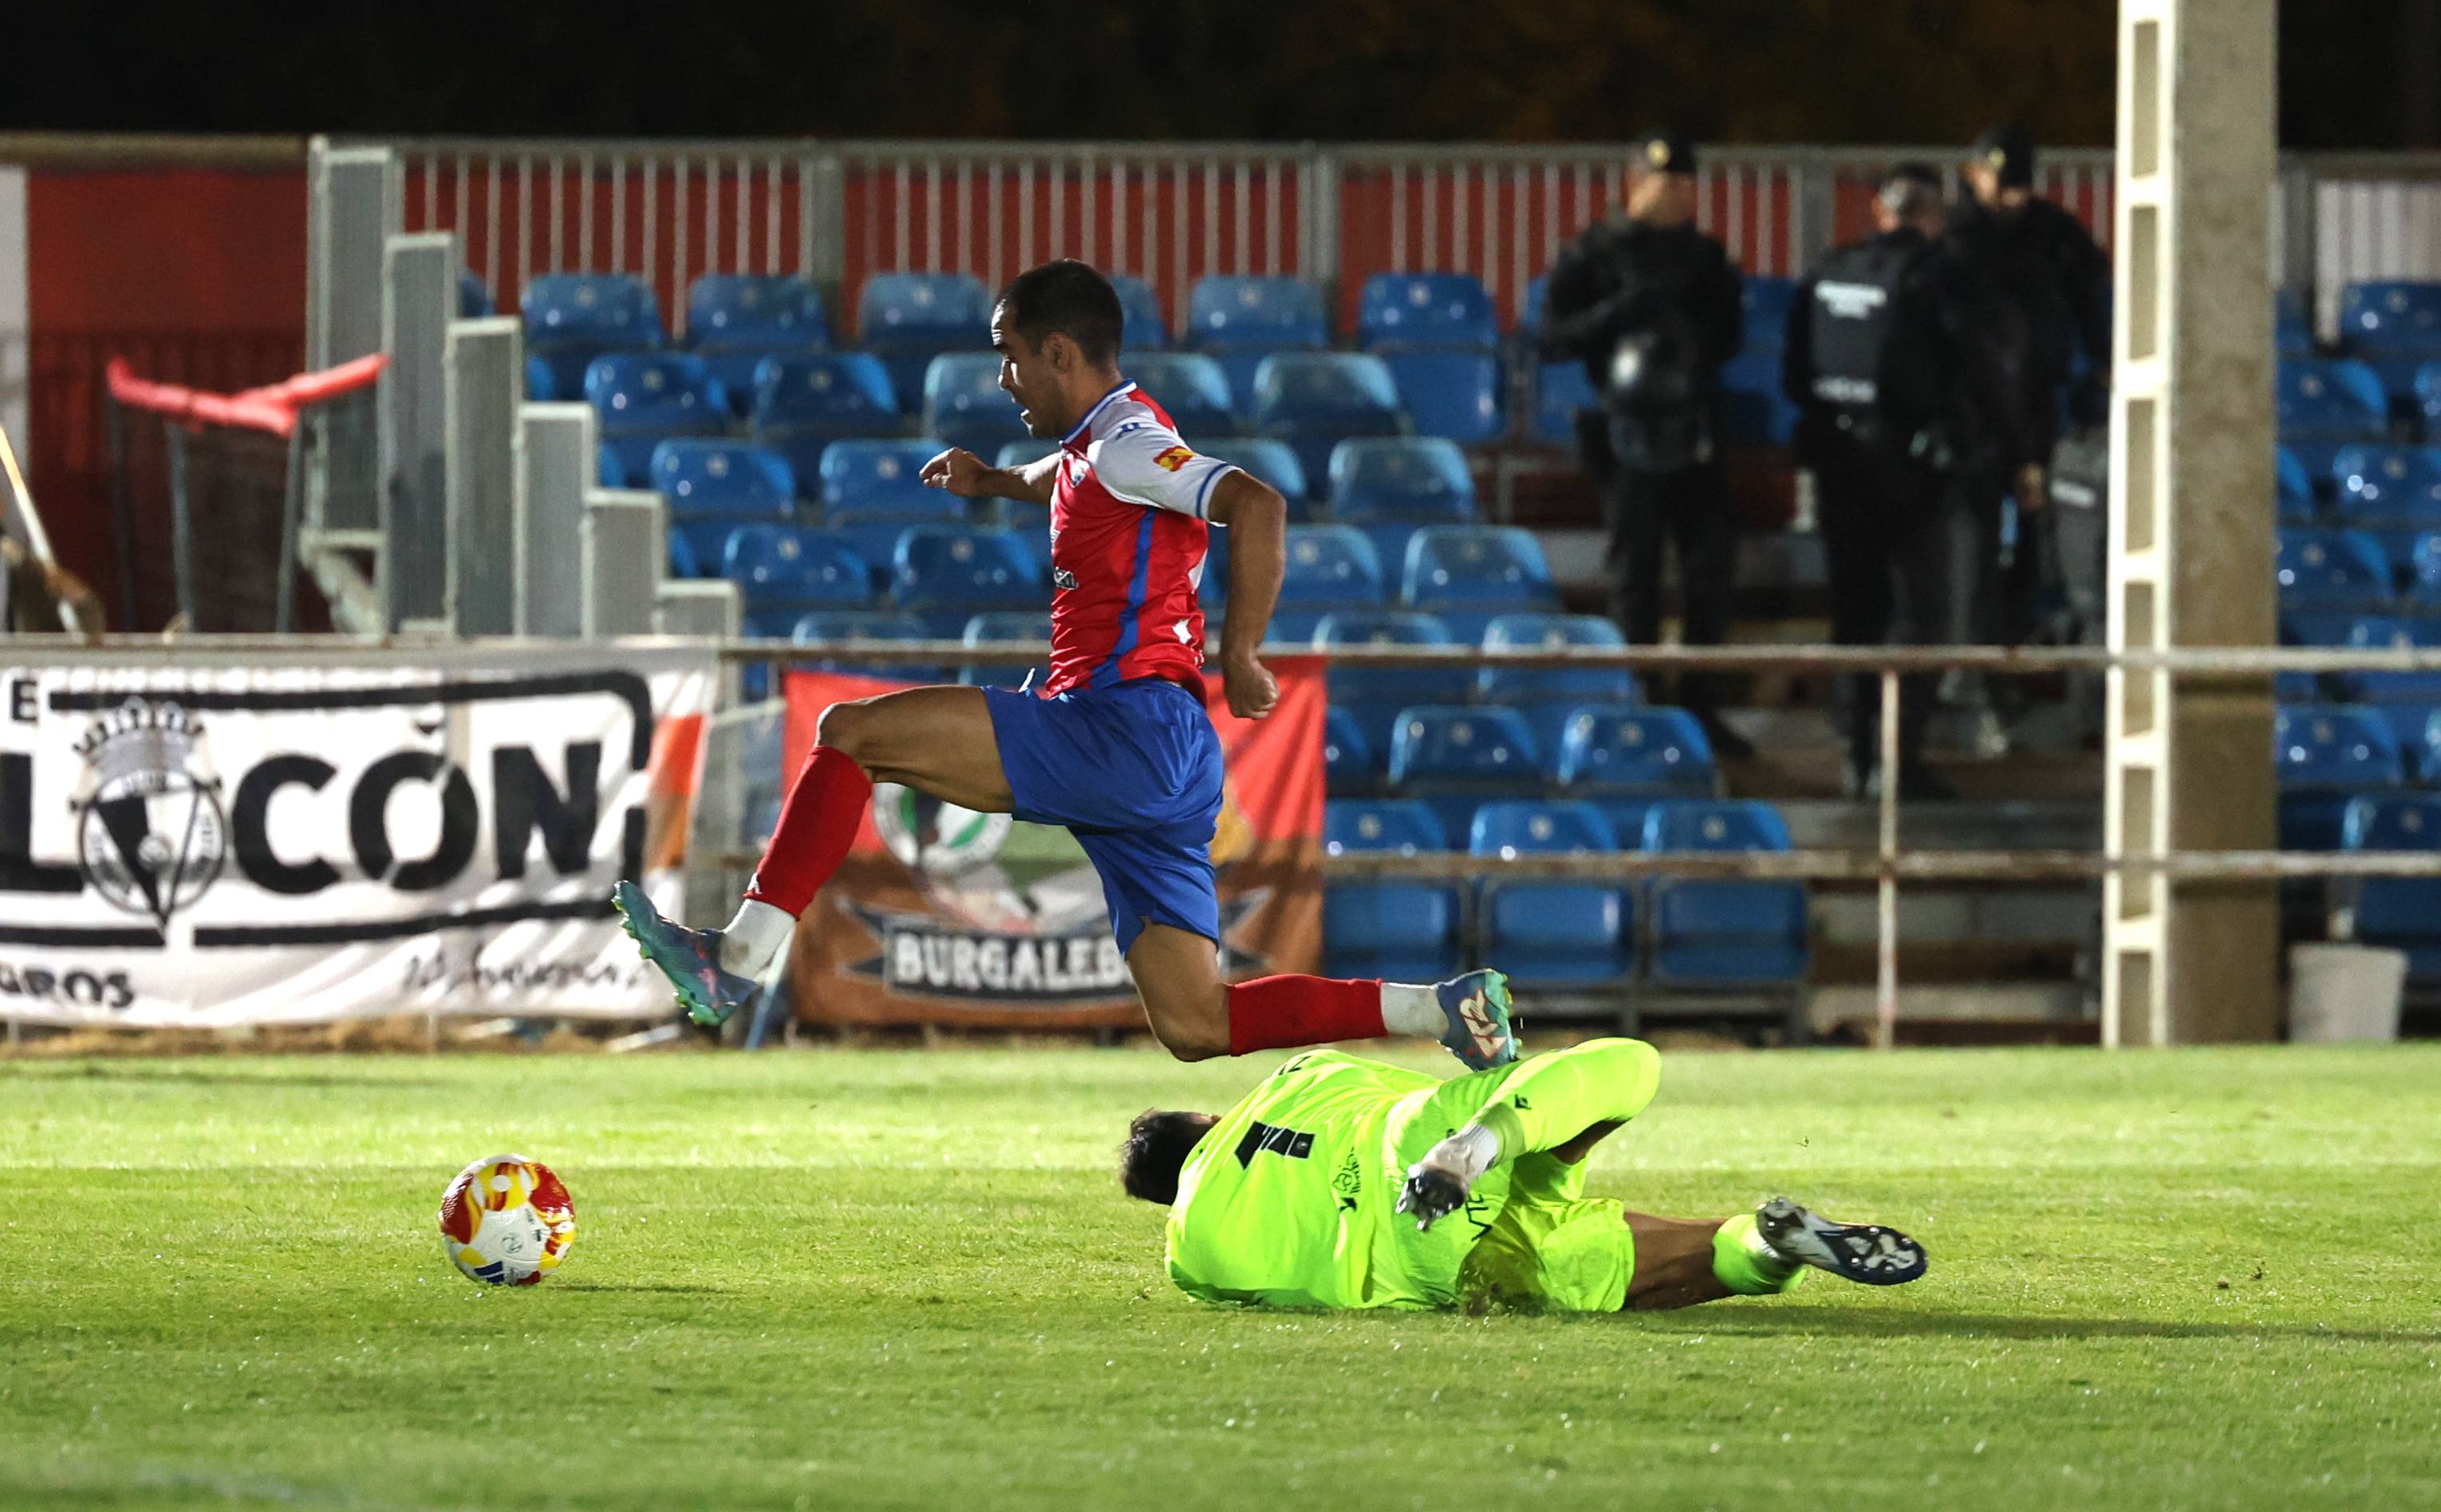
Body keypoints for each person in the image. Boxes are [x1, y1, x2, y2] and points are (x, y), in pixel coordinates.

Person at [614, 259, 1517, 1069]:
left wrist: (1240, 651)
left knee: (850, 733)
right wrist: (992, 482)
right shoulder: (1100, 445)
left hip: (1120, 728)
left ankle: (737, 958)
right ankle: (1440, 1009)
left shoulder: (1129, 444)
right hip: (1158, 750)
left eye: (1008, 356)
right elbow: (1062, 474)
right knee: (1195, 1021)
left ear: (1057, 352)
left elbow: (1257, 503)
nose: (1002, 378)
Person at [1126, 1037, 1927, 1313]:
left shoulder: (1187, 1251)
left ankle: (1767, 1247)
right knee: (1623, 1067)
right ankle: (1490, 1140)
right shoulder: (1296, 1077)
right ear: (1207, 1118)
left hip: (1416, 1257)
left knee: (1624, 1270)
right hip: (1415, 1144)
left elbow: (1257, 1293)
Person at [1784, 163, 2030, 799]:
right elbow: (1982, 368)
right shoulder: (1941, 275)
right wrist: (2019, 452)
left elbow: (1794, 375)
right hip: (1912, 470)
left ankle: (1855, 750)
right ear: (1932, 218)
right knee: (1922, 616)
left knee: (1854, 612)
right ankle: (1900, 756)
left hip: (1839, 463)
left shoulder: (1830, 269)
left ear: (1882, 213)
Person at [1540, 131, 1750, 758]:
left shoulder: (1705, 258)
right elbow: (1553, 337)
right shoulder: (1596, 251)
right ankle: (1640, 705)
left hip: (1693, 427)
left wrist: (1685, 333)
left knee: (1711, 567)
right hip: (1622, 431)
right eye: (1665, 183)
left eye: (1686, 183)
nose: (1677, 194)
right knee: (1635, 574)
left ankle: (1700, 708)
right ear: (1635, 183)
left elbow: (1729, 337)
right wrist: (1618, 312)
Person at [1946, 124, 2112, 652]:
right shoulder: (1955, 236)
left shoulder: (2052, 231)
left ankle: (2018, 644)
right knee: (1972, 546)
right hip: (1973, 409)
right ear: (1973, 175)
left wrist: (2103, 361)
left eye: (2020, 185)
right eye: (2002, 185)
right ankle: (1975, 662)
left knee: (2038, 543)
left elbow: (2091, 297)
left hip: (2038, 403)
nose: (2013, 198)